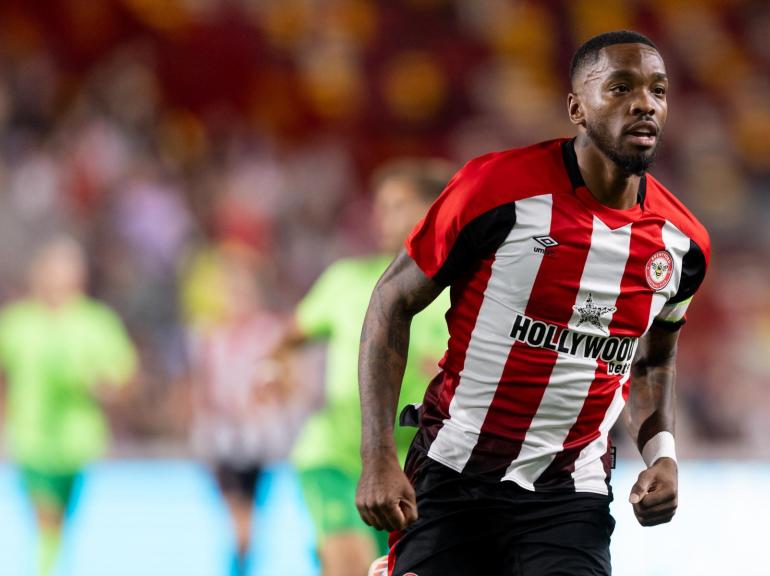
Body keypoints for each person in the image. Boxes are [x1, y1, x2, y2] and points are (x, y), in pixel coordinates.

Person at [356, 30, 710, 576]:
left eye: (658, 91)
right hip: (455, 472)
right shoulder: (495, 189)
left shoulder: (682, 245)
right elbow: (390, 302)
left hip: (570, 492)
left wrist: (661, 454)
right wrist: (377, 456)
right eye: (620, 88)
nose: (645, 103)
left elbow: (653, 358)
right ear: (577, 107)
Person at [263, 160, 454, 576]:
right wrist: (273, 370)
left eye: (396, 205)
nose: (380, 217)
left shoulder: (465, 293)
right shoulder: (345, 280)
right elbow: (287, 339)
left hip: (420, 470)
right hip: (335, 456)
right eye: (379, 206)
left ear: (434, 211)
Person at [0, 236, 138, 576]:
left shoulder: (96, 322)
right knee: (47, 519)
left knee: (60, 525)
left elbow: (125, 379)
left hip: (80, 443)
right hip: (32, 440)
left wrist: (104, 388)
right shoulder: (19, 321)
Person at [189, 247, 292, 576]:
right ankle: (241, 564)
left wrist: (266, 398)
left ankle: (240, 566)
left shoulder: (269, 333)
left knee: (245, 518)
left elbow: (287, 381)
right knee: (240, 518)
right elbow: (202, 387)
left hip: (254, 438)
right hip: (222, 437)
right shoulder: (209, 335)